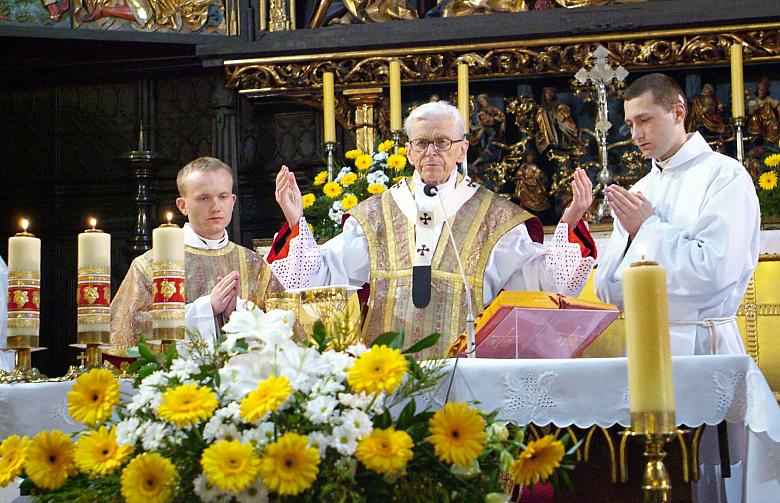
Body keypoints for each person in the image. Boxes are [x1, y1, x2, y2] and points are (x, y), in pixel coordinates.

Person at [268, 101, 597, 356]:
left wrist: (569, 221)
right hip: (385, 370)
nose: (431, 152)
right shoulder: (374, 216)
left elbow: (544, 283)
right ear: (408, 151)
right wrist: (296, 220)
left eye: (442, 142)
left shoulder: (496, 218)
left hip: (470, 367)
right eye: (422, 143)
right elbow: (319, 277)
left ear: (462, 149)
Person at [595, 73, 760, 356]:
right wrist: (637, 236)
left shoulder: (724, 176)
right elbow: (610, 291)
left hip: (705, 346)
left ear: (678, 112)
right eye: (630, 124)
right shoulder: (640, 190)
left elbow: (713, 274)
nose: (635, 135)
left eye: (644, 120)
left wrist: (646, 229)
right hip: (644, 346)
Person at [111, 157, 280, 348]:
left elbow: (282, 326)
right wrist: (207, 309)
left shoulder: (254, 264)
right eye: (204, 198)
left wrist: (238, 311)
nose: (216, 206)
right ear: (182, 205)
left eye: (223, 196)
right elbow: (128, 329)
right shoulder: (149, 265)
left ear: (233, 201)